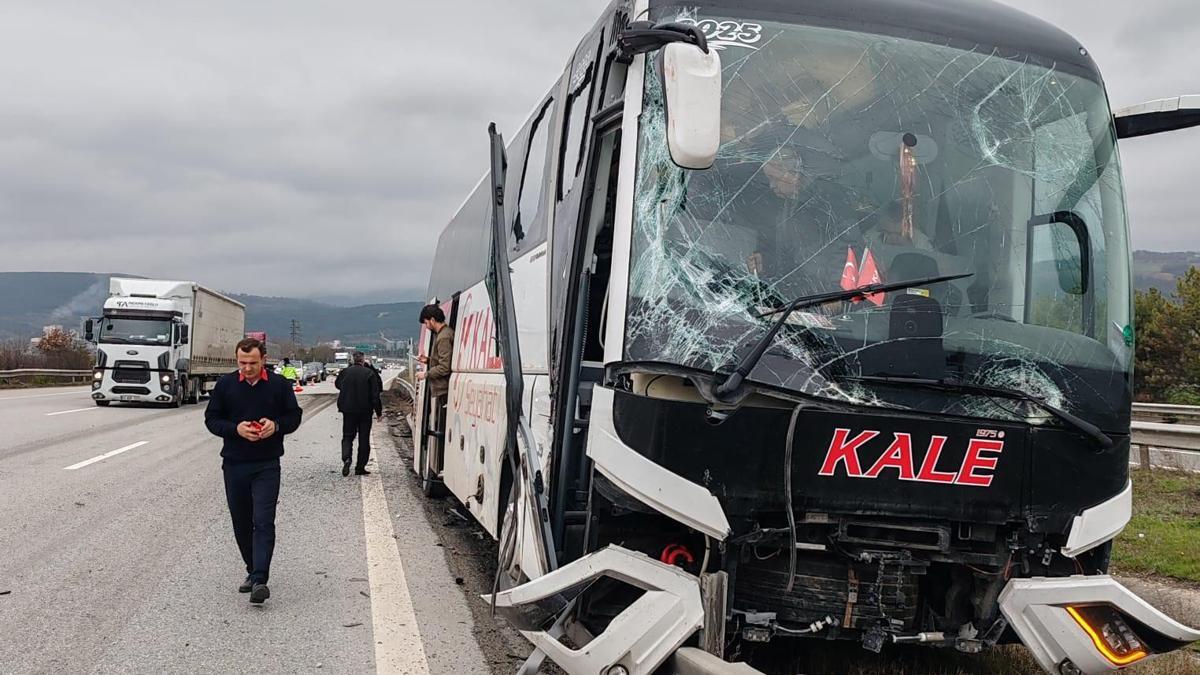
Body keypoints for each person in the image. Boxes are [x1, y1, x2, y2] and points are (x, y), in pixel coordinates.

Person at [204, 337, 303, 604]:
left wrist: (277, 426)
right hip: (234, 463)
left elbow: (294, 416)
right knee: (242, 522)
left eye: (252, 363)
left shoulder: (279, 385)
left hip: (267, 464)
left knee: (263, 521)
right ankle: (251, 569)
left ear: (263, 361)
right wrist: (235, 429)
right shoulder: (225, 385)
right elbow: (212, 420)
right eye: (242, 363)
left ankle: (260, 579)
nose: (247, 368)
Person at [334, 352, 382, 476]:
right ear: (363, 360)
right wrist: (378, 411)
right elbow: (375, 394)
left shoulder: (345, 372)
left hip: (348, 410)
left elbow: (337, 384)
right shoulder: (369, 373)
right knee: (364, 438)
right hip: (365, 411)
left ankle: (347, 458)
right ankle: (360, 467)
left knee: (347, 436)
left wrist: (348, 389)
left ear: (352, 360)